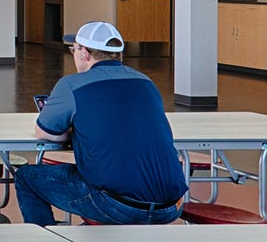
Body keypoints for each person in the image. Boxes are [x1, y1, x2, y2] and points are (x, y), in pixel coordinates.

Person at [14, 21, 188, 227]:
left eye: (74, 49)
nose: (74, 54)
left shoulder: (72, 85)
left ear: (84, 54)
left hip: (117, 205)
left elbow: (44, 132)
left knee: (27, 177)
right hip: (170, 206)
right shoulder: (145, 82)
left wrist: (76, 132)